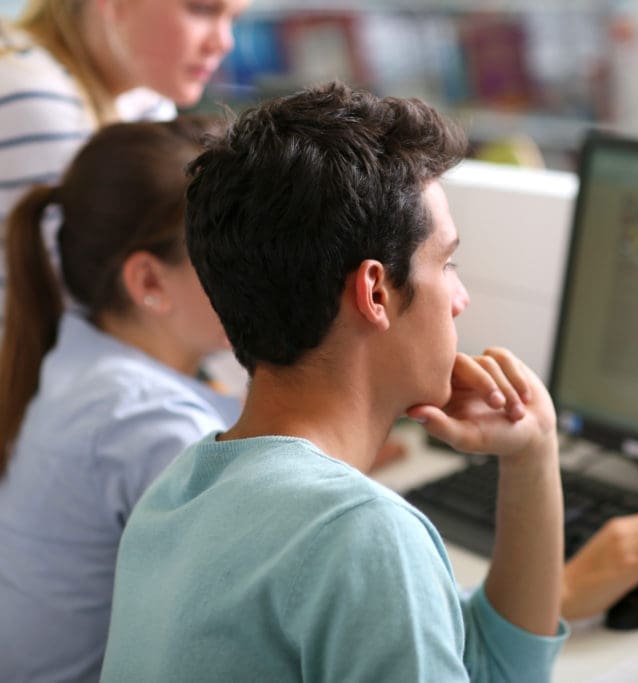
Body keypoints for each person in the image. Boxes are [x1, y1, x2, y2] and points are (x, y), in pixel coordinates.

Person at [99, 82, 567, 682]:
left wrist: (533, 454)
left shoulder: (175, 496)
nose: (460, 298)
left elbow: (488, 668)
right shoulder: (359, 534)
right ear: (375, 292)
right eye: (445, 263)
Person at [0, 115, 237, 682]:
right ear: (150, 283)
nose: (265, 269)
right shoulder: (147, 425)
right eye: (231, 250)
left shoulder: (80, 353)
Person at [0, 0, 249, 328]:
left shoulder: (146, 99)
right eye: (201, 9)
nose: (224, 42)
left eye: (233, 17)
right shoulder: (35, 97)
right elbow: (94, 317)